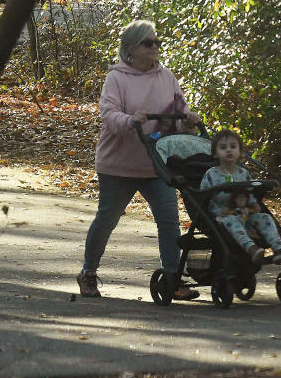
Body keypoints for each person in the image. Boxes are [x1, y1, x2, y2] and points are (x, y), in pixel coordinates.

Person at [76, 20, 201, 299]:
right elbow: (108, 115)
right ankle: (88, 273)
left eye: (157, 42)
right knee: (107, 219)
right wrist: (130, 120)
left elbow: (179, 112)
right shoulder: (117, 78)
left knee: (169, 220)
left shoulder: (166, 77)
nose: (155, 47)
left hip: (157, 165)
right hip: (118, 165)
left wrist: (188, 121)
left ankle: (172, 278)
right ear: (130, 48)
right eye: (148, 43)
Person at [200, 130, 281, 265]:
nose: (229, 150)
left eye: (233, 146)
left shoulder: (244, 173)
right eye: (223, 147)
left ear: (240, 152)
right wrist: (215, 207)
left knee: (265, 217)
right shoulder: (211, 174)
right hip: (224, 215)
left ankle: (279, 249)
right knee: (232, 221)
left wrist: (254, 204)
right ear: (215, 153)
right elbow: (202, 194)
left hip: (246, 214)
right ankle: (252, 248)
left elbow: (250, 194)